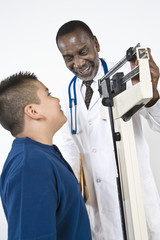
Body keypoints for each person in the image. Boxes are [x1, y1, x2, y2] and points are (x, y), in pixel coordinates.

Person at [55, 20, 160, 240]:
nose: (78, 62)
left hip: (137, 199)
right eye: (69, 58)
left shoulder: (127, 75)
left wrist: (152, 95)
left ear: (96, 43)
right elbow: (69, 154)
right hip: (98, 209)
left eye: (83, 51)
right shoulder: (67, 96)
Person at [0, 72, 92, 240]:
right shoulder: (30, 167)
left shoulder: (43, 156)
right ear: (33, 111)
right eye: (48, 94)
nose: (56, 100)